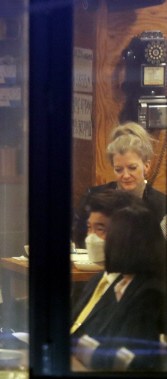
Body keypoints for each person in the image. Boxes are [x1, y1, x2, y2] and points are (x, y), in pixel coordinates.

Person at [76, 204, 166, 371]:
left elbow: (130, 358)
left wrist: (80, 348)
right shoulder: (123, 282)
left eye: (112, 235)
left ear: (125, 242)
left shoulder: (150, 293)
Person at [73, 122, 166, 248]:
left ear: (147, 166)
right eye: (119, 169)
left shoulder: (162, 204)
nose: (126, 175)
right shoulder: (93, 196)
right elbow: (78, 240)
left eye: (132, 168)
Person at [71, 190, 143, 338]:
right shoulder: (98, 280)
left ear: (126, 233)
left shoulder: (141, 291)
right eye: (90, 228)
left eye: (100, 229)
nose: (91, 238)